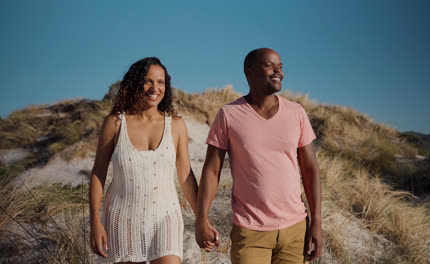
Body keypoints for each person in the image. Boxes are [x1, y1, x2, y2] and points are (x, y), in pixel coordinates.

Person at [195, 48, 323, 263]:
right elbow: (212, 169)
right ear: (249, 72)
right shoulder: (229, 114)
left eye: (280, 67)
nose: (278, 71)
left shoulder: (296, 112)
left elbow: (310, 168)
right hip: (250, 232)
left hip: (296, 230)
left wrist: (317, 221)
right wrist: (201, 219)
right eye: (270, 65)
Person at [89, 57, 200, 264]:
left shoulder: (175, 125)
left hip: (166, 216)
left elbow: (185, 175)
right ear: (135, 83)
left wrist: (202, 218)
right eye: (147, 81)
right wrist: (95, 221)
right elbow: (98, 173)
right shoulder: (114, 124)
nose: (154, 88)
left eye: (160, 82)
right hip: (124, 219)